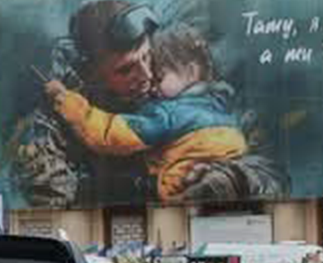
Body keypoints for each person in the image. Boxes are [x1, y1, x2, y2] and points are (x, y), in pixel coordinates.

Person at [44, 24, 251, 201]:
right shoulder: (217, 99)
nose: (151, 82)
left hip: (176, 186)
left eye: (159, 77)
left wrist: (67, 101)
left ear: (191, 70)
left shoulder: (167, 113)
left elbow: (112, 134)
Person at [7, 0, 159, 207]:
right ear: (91, 73)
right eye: (125, 70)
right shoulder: (45, 136)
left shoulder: (171, 87)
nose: (146, 75)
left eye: (147, 57)